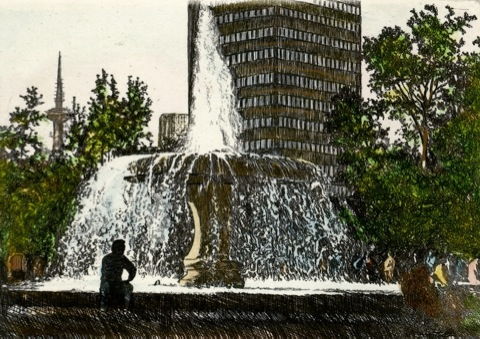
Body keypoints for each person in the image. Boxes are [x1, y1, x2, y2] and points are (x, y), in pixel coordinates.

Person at [100, 239, 136, 310]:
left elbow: (132, 269)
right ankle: (103, 308)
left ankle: (126, 308)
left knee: (129, 287)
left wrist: (128, 280)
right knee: (105, 287)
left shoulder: (122, 259)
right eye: (120, 249)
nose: (122, 251)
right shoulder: (107, 259)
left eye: (122, 249)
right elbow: (105, 274)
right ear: (114, 249)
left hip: (117, 283)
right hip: (108, 283)